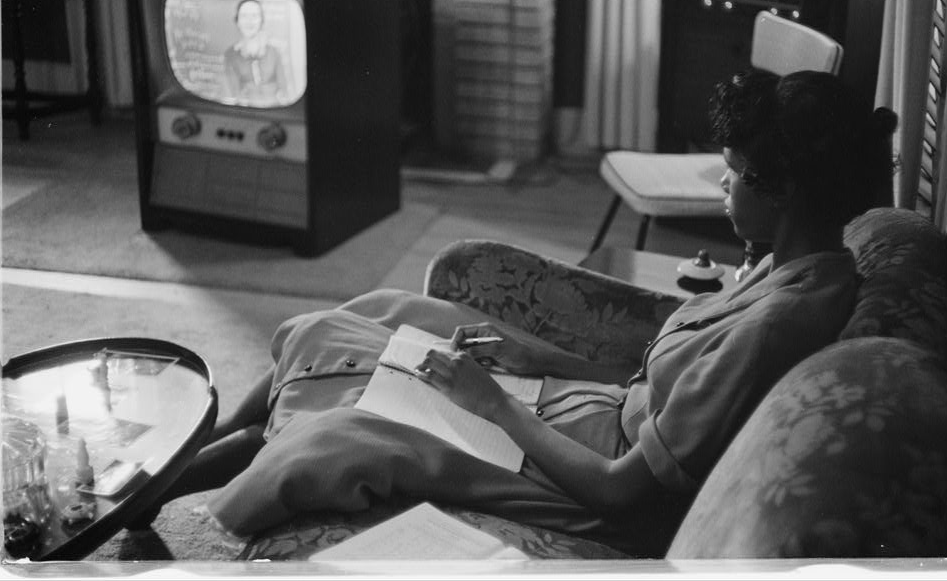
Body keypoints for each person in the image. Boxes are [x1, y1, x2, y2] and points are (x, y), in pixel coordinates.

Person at [129, 70, 898, 557]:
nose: (721, 193)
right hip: (587, 413)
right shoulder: (782, 261)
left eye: (732, 178)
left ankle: (155, 490)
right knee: (375, 312)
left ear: (786, 187)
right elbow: (658, 382)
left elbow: (625, 489)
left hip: (591, 488)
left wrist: (491, 402)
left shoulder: (780, 322)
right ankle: (202, 451)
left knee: (344, 433)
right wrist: (543, 361)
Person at [223, 0, 290, 106]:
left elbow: (284, 91)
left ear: (261, 21)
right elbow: (232, 93)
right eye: (244, 16)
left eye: (254, 16)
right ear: (237, 22)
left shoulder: (274, 52)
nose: (249, 21)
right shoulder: (230, 55)